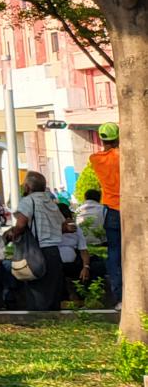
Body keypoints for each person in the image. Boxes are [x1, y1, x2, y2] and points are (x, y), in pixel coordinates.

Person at [5, 172, 66, 310]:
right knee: (52, 290)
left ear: (27, 186)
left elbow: (21, 225)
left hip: (37, 251)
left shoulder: (28, 201)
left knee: (37, 291)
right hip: (54, 251)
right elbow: (62, 226)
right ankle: (53, 319)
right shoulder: (51, 202)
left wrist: (10, 234)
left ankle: (39, 320)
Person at [88, 123, 121, 307]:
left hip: (111, 210)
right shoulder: (122, 156)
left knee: (114, 254)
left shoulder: (95, 158)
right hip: (130, 208)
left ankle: (119, 298)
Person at [55, 200, 90, 293]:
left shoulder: (76, 229)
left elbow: (83, 250)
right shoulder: (52, 228)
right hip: (55, 263)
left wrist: (85, 266)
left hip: (72, 263)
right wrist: (63, 229)